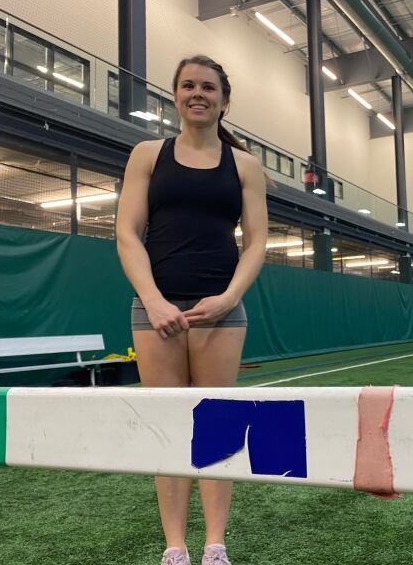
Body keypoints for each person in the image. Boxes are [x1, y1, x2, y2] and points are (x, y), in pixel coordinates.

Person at [116, 54, 268, 565]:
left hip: (219, 313)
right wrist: (154, 301)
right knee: (168, 428)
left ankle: (215, 545)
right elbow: (127, 234)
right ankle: (175, 546)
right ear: (175, 96)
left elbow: (257, 243)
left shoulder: (244, 165)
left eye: (208, 87)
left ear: (225, 100)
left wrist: (228, 298)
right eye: (187, 85)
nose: (197, 93)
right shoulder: (147, 155)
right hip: (154, 312)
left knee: (217, 427)